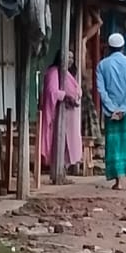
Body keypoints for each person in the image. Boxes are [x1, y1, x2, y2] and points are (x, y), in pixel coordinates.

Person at [96, 32, 126, 190]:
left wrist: (113, 109)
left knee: (113, 145)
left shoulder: (102, 65)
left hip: (110, 113)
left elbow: (101, 91)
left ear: (108, 48)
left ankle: (118, 181)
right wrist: (123, 109)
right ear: (123, 47)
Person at [39, 52, 82, 180]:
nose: (70, 60)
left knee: (67, 147)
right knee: (59, 144)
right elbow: (51, 92)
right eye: (68, 57)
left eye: (72, 57)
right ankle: (57, 174)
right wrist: (65, 96)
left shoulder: (67, 73)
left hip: (70, 117)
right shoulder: (54, 72)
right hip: (59, 116)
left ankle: (63, 172)